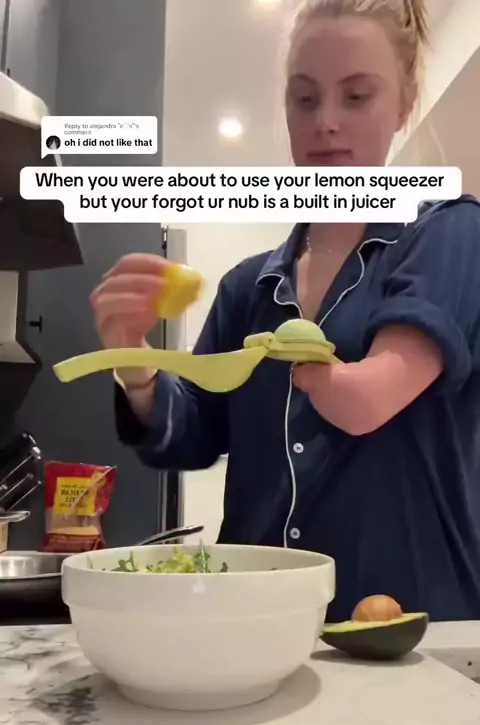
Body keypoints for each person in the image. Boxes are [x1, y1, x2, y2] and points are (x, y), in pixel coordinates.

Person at [91, 0, 480, 622]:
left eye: (357, 96)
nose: (325, 122)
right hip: (257, 626)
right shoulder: (247, 287)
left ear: (405, 104)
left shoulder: (449, 234)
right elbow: (191, 434)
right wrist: (134, 362)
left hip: (413, 631)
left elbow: (369, 397)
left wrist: (309, 365)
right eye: (304, 98)